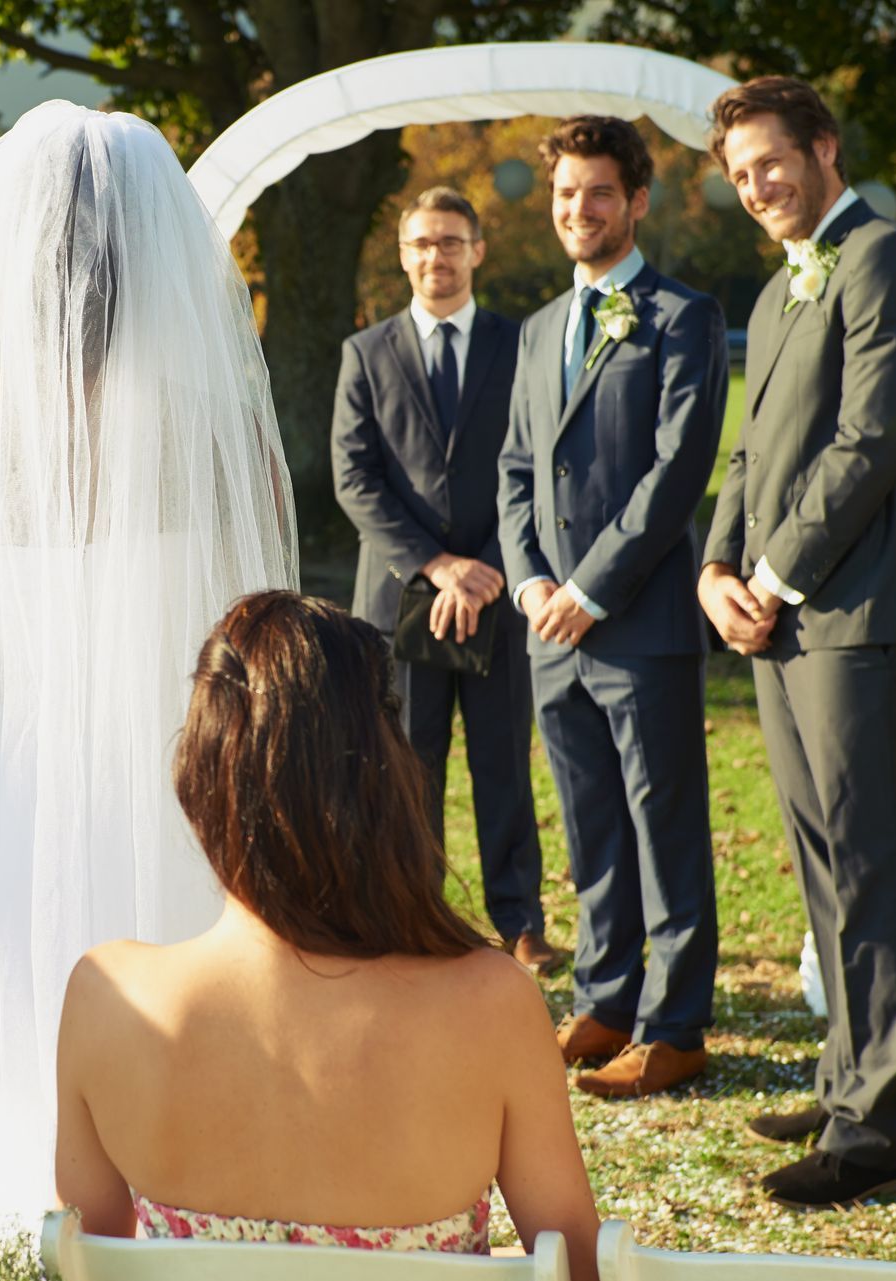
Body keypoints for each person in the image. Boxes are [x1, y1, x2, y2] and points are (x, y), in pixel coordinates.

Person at [0, 101, 297, 1266]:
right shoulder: (216, 420)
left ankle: (23, 1246)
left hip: (28, 797)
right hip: (190, 797)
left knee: (37, 1037)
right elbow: (273, 636)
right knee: (193, 1036)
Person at [53, 592, 601, 1280]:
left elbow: (89, 1259)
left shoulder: (109, 999)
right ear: (387, 779)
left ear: (200, 774)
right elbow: (580, 1267)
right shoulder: (494, 1005)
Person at [703, 76, 896, 1209]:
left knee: (868, 859)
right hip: (776, 616)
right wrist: (715, 569)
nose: (758, 187)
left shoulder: (887, 259)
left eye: (772, 163)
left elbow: (870, 442)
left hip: (854, 610)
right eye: (741, 174)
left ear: (824, 149)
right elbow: (754, 456)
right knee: (818, 855)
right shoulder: (773, 296)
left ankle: (873, 1131)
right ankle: (845, 1078)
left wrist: (769, 573)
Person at [496, 116, 726, 1099]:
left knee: (662, 822)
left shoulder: (683, 317)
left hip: (640, 624)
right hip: (552, 630)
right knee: (592, 826)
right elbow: (514, 469)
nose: (578, 211)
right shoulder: (540, 328)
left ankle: (675, 1027)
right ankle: (603, 999)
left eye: (597, 193)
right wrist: (534, 583)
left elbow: (678, 472)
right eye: (563, 196)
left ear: (636, 202)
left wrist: (593, 586)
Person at [332, 185, 559, 975]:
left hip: (501, 588)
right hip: (404, 598)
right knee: (406, 762)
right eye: (423, 243)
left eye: (452, 241)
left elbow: (534, 459)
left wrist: (490, 565)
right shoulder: (365, 353)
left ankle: (520, 919)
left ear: (478, 249)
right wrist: (439, 566)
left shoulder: (522, 343)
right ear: (403, 254)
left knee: (503, 759)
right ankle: (412, 910)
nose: (438, 256)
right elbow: (355, 479)